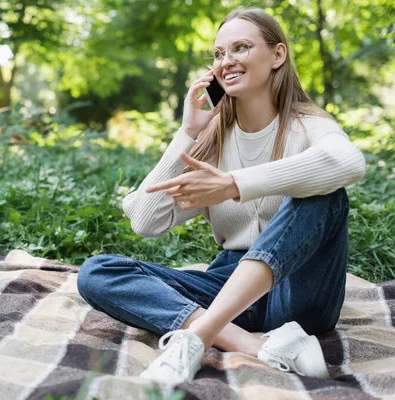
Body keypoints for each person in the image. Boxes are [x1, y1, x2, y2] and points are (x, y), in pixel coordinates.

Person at [76, 7, 367, 386]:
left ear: (277, 55)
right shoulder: (213, 138)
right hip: (230, 288)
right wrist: (189, 132)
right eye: (218, 54)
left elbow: (348, 162)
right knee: (98, 272)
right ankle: (256, 346)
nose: (226, 61)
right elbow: (146, 220)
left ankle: (199, 335)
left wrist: (234, 184)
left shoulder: (309, 125)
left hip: (299, 292)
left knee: (324, 193)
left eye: (241, 48)